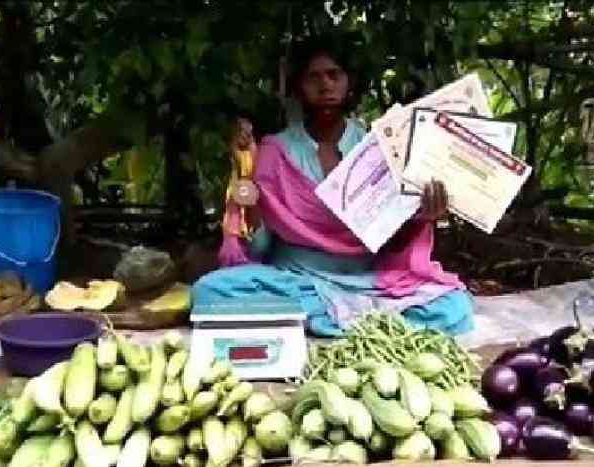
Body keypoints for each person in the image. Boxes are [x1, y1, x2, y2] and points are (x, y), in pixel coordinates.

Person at [194, 35, 474, 337]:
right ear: (299, 86)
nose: (325, 85)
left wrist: (424, 215)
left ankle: (326, 321)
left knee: (453, 308)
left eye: (333, 75)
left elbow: (392, 240)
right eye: (313, 77)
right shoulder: (275, 151)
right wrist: (248, 193)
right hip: (298, 279)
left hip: (368, 278)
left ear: (349, 82)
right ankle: (367, 324)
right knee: (209, 291)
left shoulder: (379, 146)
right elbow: (259, 247)